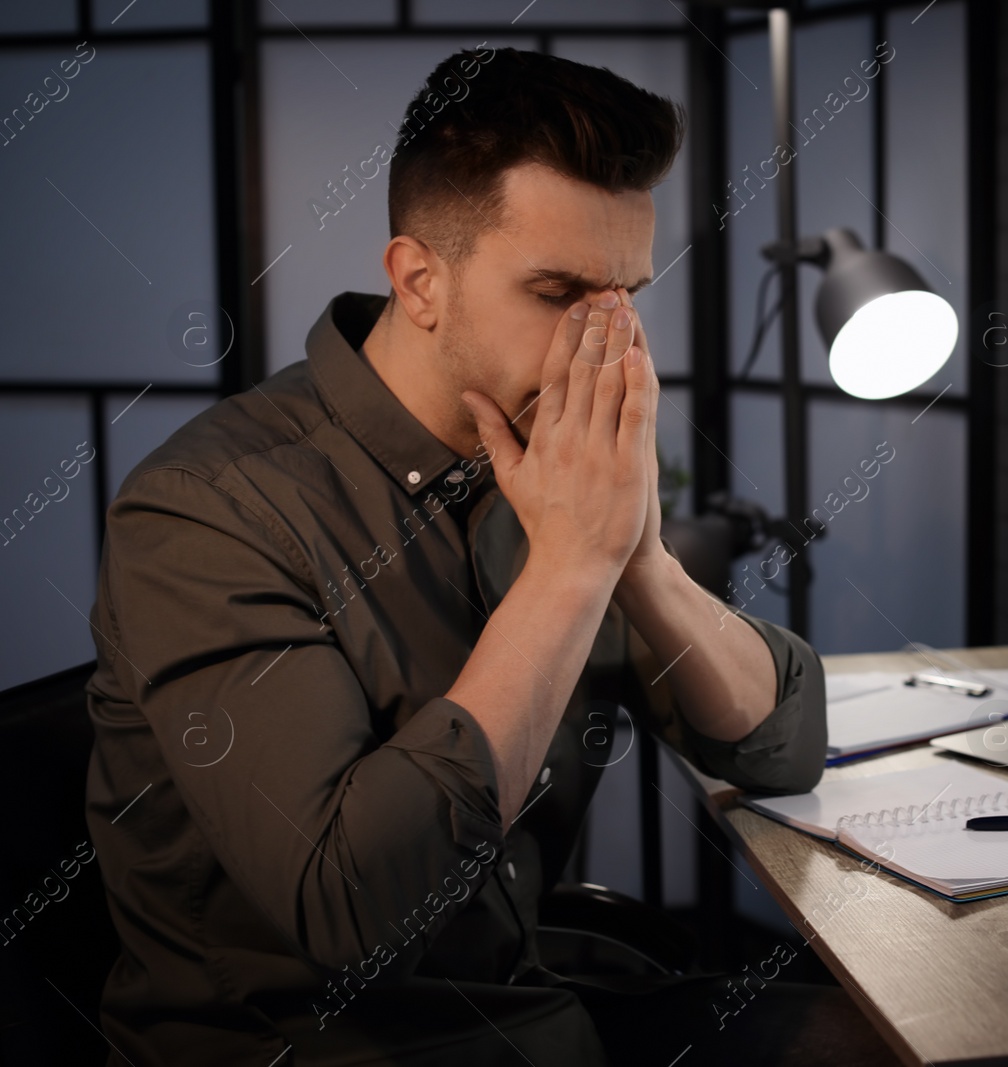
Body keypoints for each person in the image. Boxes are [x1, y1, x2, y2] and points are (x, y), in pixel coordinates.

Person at [83, 46, 895, 1066]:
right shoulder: (206, 511)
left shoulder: (559, 469)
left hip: (541, 999)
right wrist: (567, 569)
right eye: (559, 294)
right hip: (312, 1043)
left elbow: (777, 745)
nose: (601, 346)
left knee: (906, 1037)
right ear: (420, 279)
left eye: (625, 296)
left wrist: (634, 554)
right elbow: (351, 910)